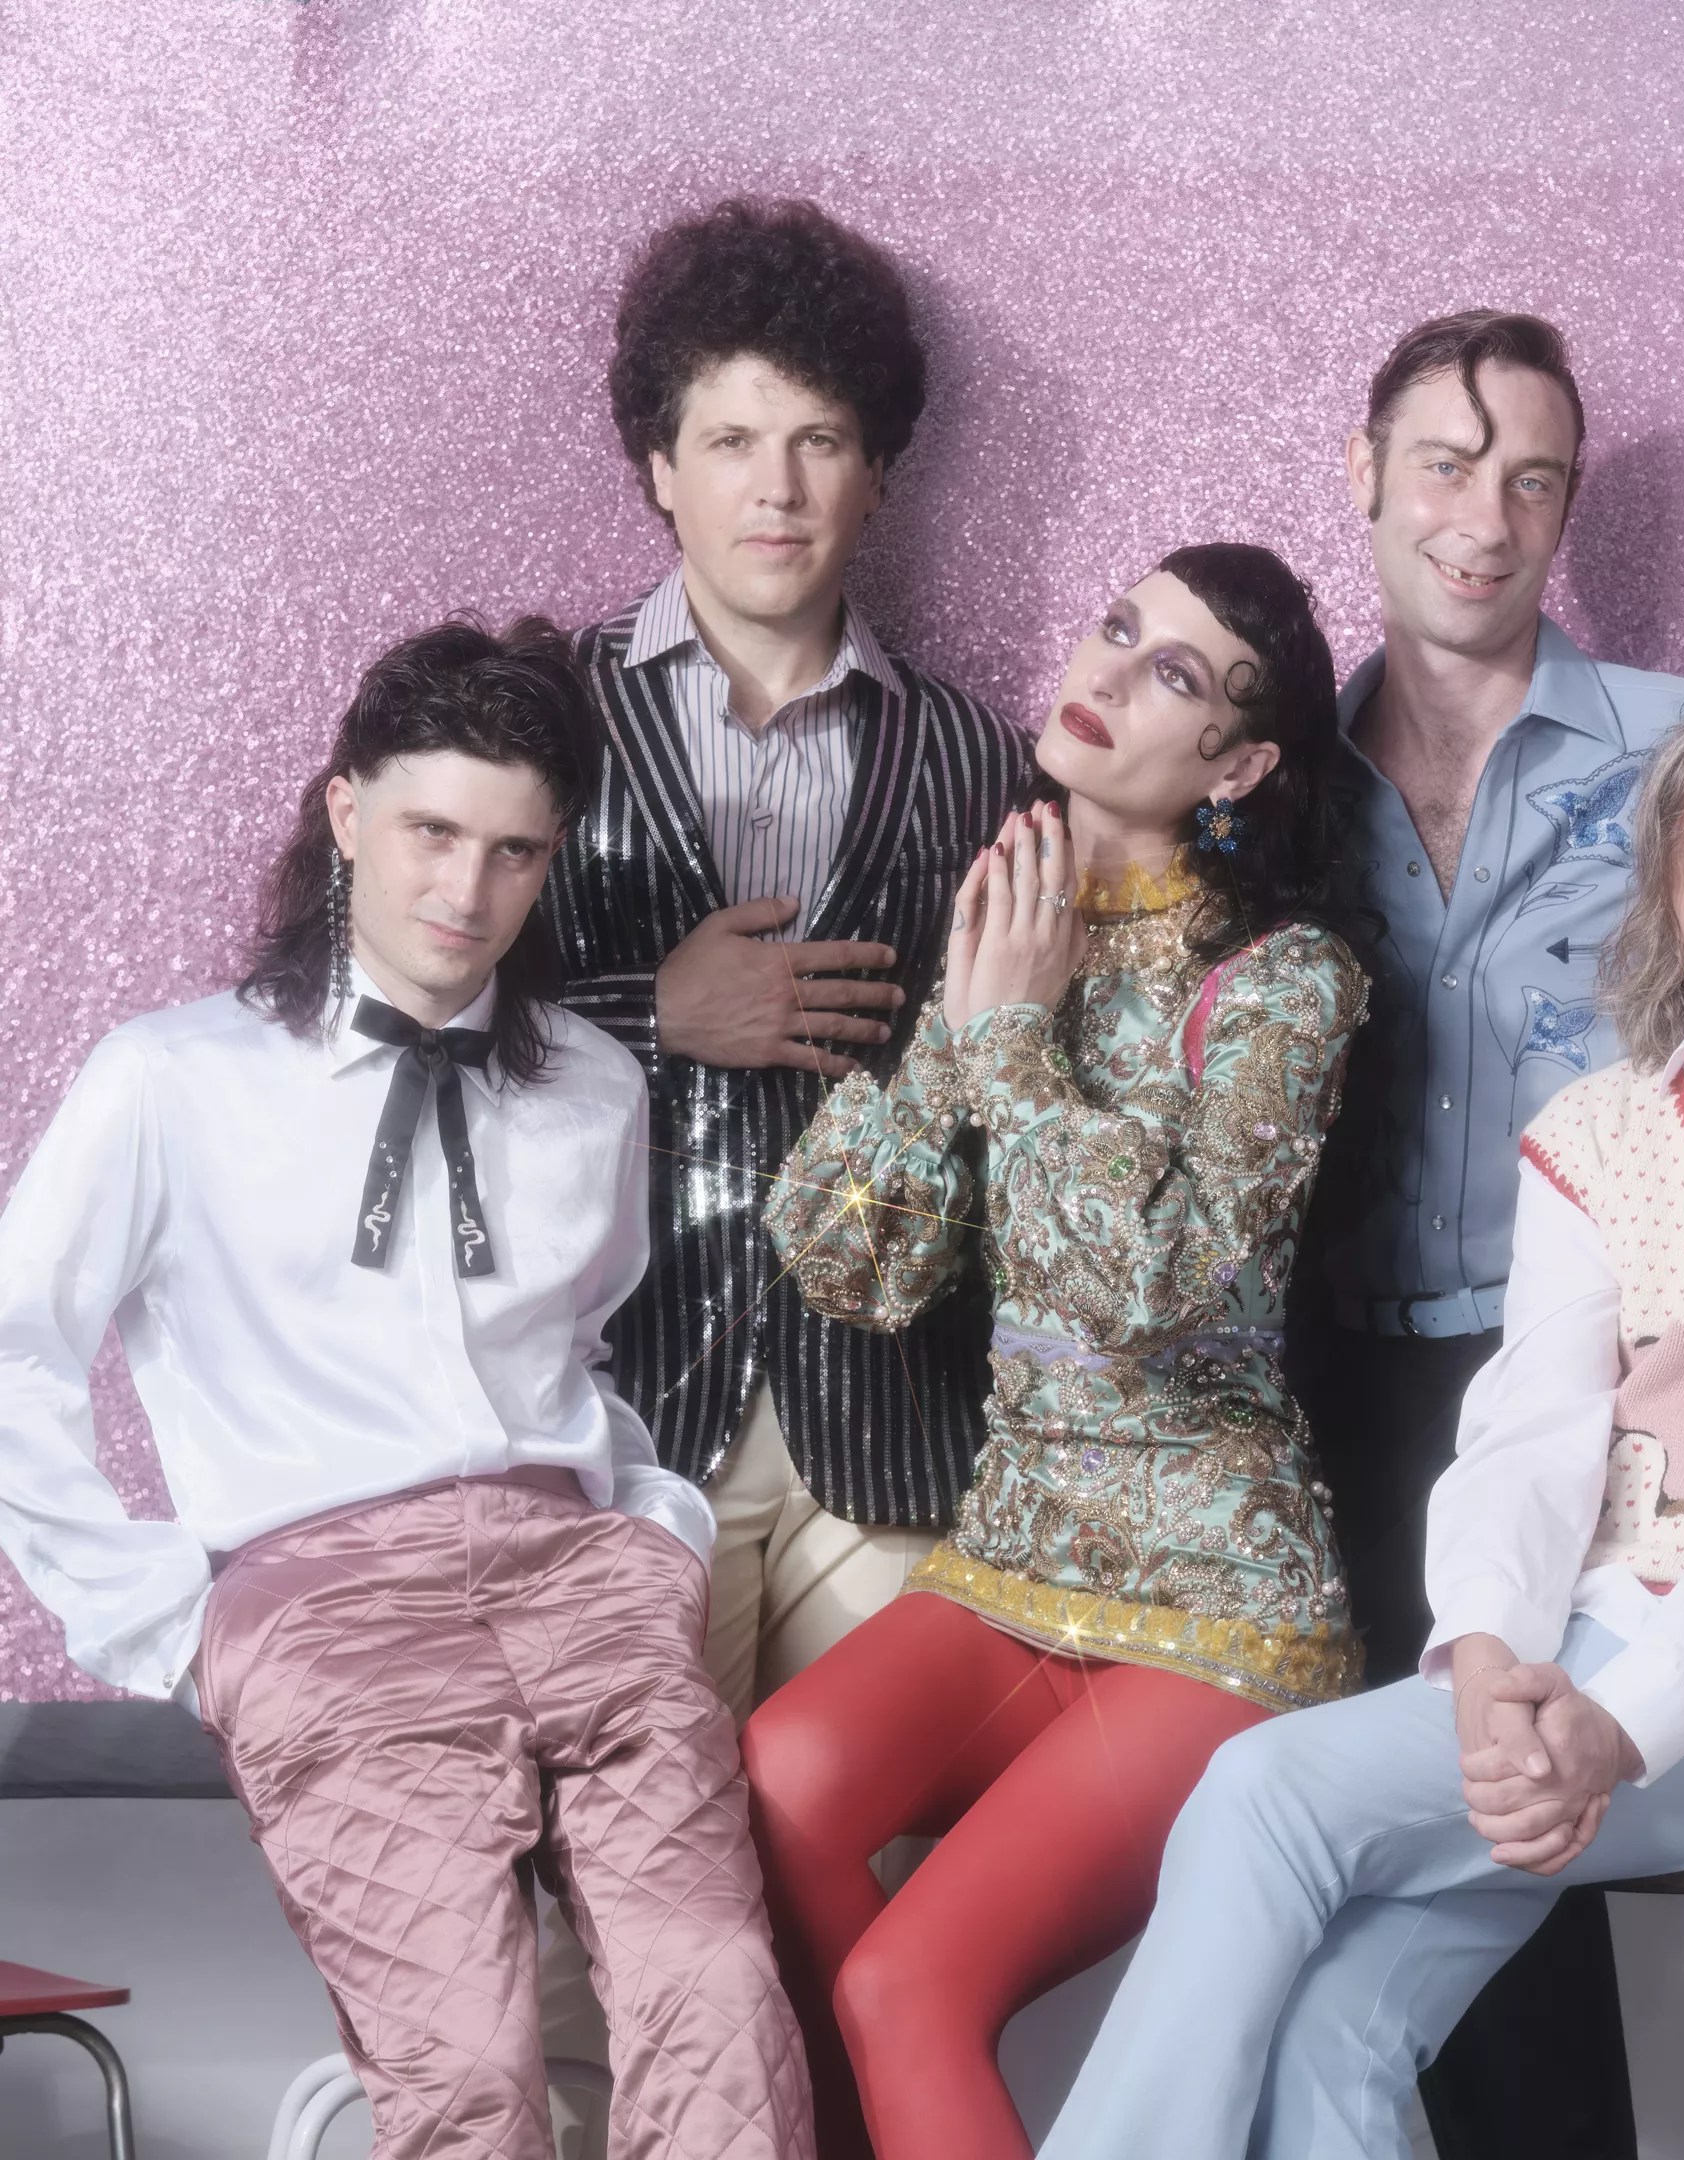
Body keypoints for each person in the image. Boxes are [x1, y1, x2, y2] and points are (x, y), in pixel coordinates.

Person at [1042, 685, 1684, 2160]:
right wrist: (1489, 1665)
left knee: (1265, 1793)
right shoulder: (1599, 1131)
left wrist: (1620, 1725)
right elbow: (1530, 1434)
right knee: (1337, 2020)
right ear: (1670, 899)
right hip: (1572, 1657)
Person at [0, 621, 811, 2159]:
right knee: (468, 2075)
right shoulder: (171, 1078)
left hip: (584, 1578)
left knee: (720, 2003)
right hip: (332, 1605)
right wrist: (169, 1623)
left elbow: (577, 1347)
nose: (466, 890)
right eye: (431, 832)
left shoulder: (593, 1083)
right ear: (347, 813)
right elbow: (12, 1344)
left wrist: (658, 1535)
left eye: (513, 852)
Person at [740, 544, 1365, 2160]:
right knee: (779, 1780)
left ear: (1237, 767)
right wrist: (968, 1027)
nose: (1113, 673)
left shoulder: (1284, 983)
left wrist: (1013, 1040)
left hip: (1215, 1602)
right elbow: (852, 1263)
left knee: (907, 1989)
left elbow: (1147, 1289)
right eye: (1119, 628)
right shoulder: (1011, 924)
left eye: (1178, 674)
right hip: (1012, 1557)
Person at [1292, 307, 1684, 2152]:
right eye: (1447, 467)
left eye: (1531, 481)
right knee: (1347, 1882)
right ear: (1366, 477)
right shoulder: (1270, 775)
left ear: (1569, 508)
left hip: (1586, 1390)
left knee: (1507, 1865)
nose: (1485, 519)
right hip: (1323, 1395)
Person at [543, 197, 1028, 1727]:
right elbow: (392, 1020)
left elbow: (1017, 1070)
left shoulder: (975, 756)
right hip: (614, 1410)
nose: (778, 487)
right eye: (734, 440)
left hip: (888, 1423)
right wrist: (652, 1014)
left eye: (820, 440)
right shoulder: (541, 718)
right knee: (634, 1844)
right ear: (659, 467)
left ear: (878, 471)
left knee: (871, 1842)